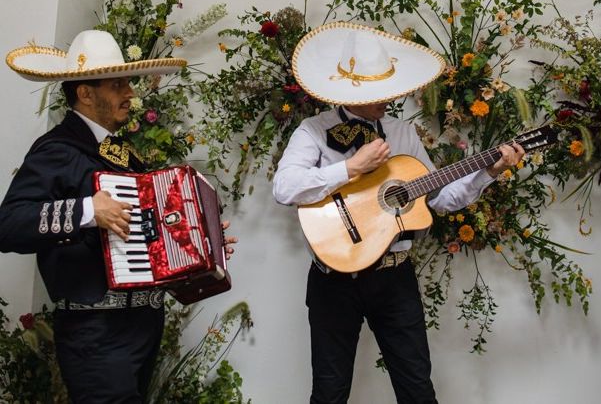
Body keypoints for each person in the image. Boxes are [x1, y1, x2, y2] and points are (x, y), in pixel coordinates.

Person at [273, 22, 524, 404]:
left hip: (395, 278)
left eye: (390, 90)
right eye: (377, 92)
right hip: (333, 284)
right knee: (329, 392)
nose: (387, 99)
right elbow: (284, 188)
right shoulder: (312, 131)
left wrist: (488, 172)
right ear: (347, 90)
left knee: (418, 391)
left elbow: (437, 199)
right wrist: (350, 169)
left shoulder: (403, 132)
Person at [0, 29, 236, 403]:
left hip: (142, 323)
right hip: (94, 329)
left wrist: (200, 242)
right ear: (86, 93)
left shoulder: (122, 154)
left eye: (128, 83)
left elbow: (145, 234)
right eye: (118, 85)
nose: (131, 94)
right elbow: (9, 224)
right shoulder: (56, 150)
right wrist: (88, 210)